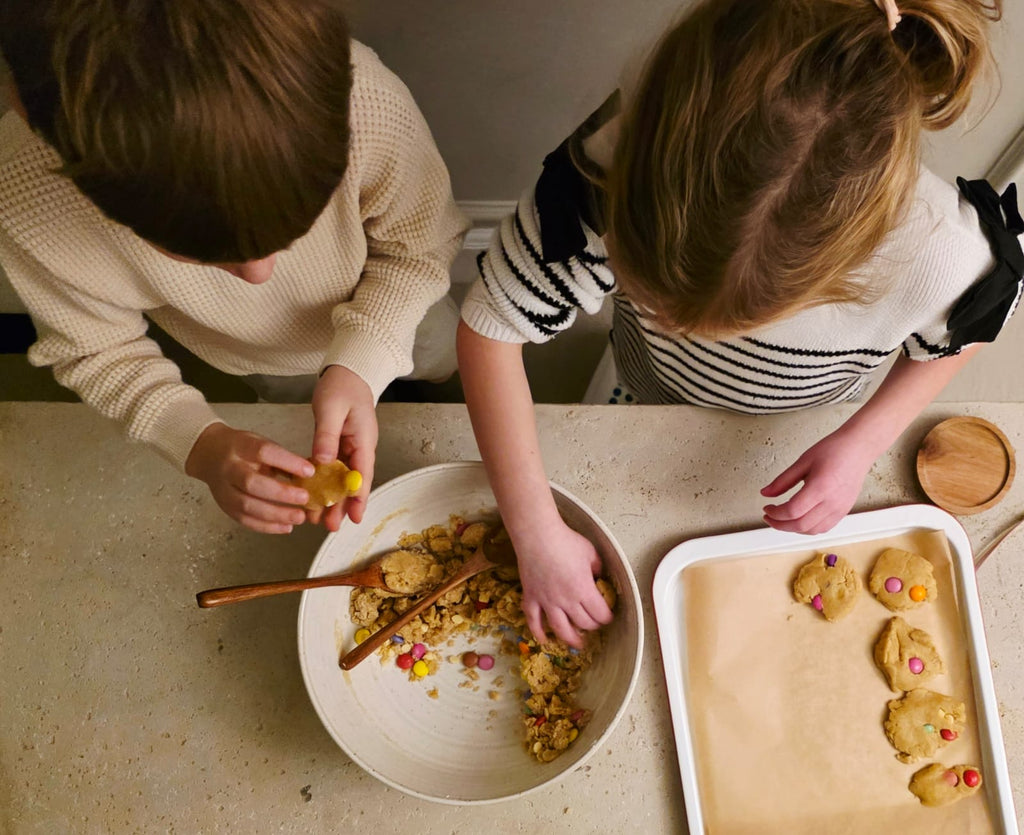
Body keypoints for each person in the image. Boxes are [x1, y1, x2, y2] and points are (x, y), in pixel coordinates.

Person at [457, 0, 1022, 647]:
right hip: (635, 390)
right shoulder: (614, 164)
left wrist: (867, 439)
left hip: (800, 424)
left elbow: (960, 337)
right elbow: (490, 329)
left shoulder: (944, 250)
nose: (685, 328)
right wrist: (532, 529)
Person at [0, 0, 468, 534]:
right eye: (201, 255)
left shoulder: (365, 105)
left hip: (406, 303)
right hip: (259, 357)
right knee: (291, 394)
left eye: (298, 226)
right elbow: (96, 351)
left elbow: (417, 247)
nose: (260, 276)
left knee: (444, 358)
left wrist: (362, 362)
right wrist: (202, 445)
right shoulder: (28, 200)